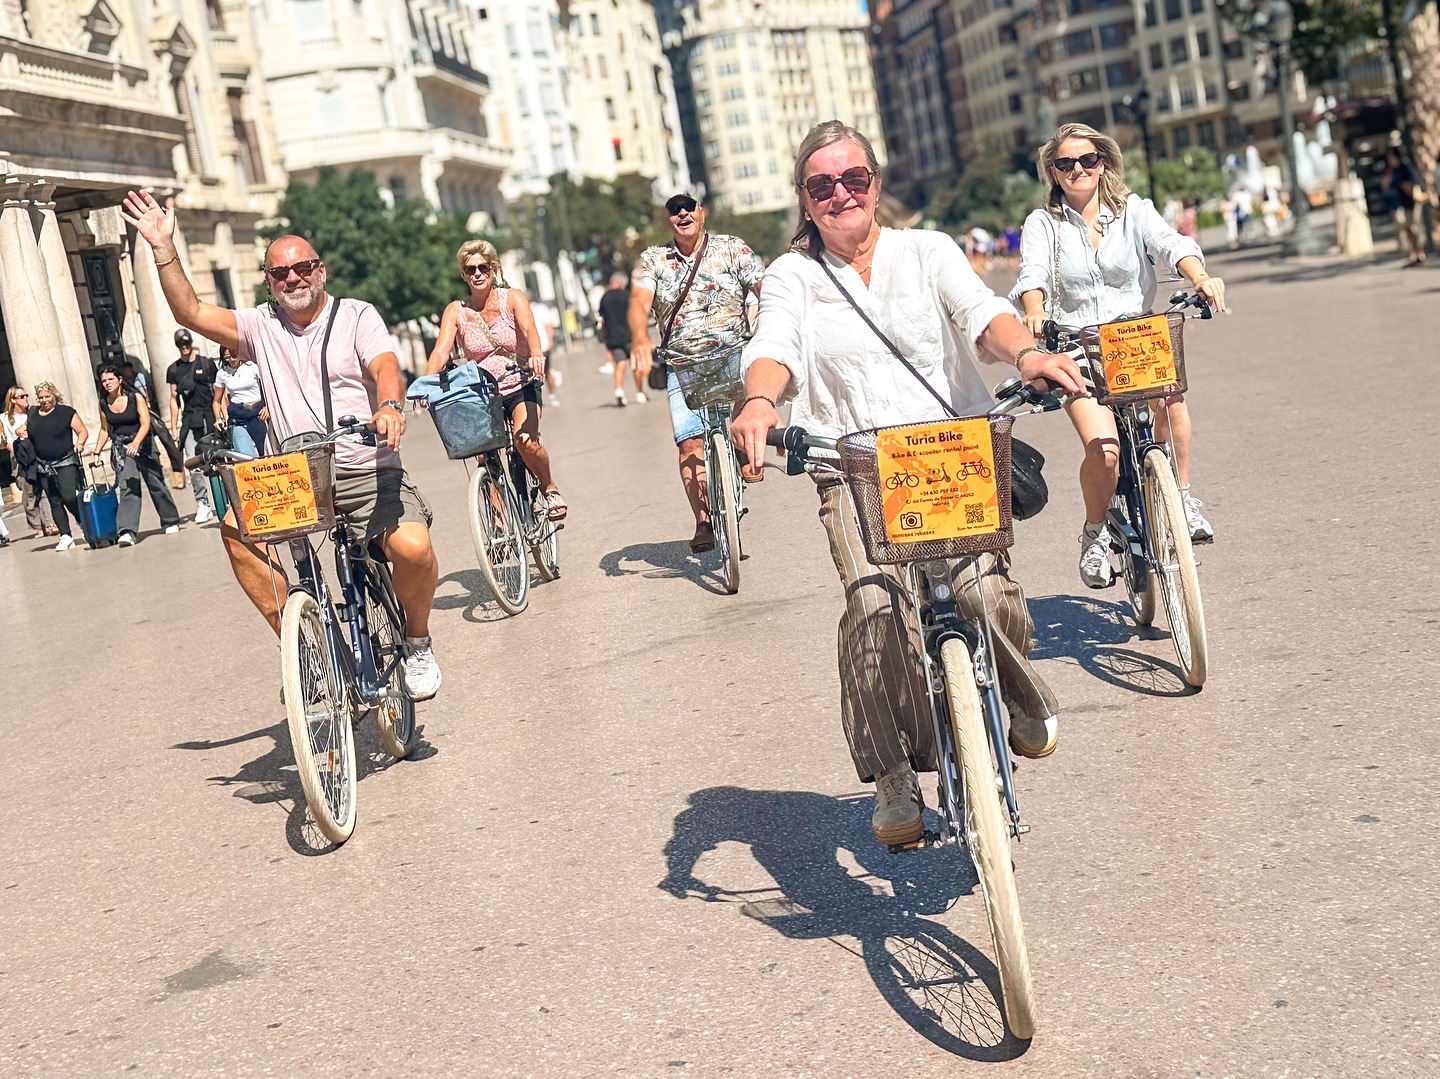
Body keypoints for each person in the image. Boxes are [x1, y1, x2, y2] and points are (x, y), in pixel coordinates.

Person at [730, 120, 1084, 845]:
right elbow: (774, 346)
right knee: (873, 610)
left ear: (876, 184)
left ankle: (1016, 687)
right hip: (853, 466)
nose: (841, 195)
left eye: (853, 179)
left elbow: (982, 315)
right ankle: (894, 774)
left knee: (984, 592)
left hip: (952, 453)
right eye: (822, 185)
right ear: (805, 199)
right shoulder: (790, 276)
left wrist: (1026, 355)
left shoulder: (927, 252)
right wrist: (762, 402)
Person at [121, 188, 443, 700]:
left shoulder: (357, 316)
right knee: (235, 531)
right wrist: (163, 249)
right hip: (294, 475)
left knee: (414, 547)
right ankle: (309, 646)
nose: (292, 278)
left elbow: (384, 365)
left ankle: (418, 639)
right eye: (279, 273)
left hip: (363, 464)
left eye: (303, 268)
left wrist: (387, 405)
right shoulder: (258, 326)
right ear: (269, 283)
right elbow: (189, 312)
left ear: (321, 271)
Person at [1011, 123, 1225, 589]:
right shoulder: (1043, 223)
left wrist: (1200, 277)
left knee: (1172, 403)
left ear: (1103, 162)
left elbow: (1171, 245)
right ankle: (1094, 535)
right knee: (1105, 453)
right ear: (1053, 172)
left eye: (1088, 160)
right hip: (1075, 346)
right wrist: (1034, 310)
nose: (1079, 170)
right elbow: (1032, 275)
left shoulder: (1134, 211)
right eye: (1066, 164)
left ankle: (1182, 498)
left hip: (1135, 339)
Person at [629, 192, 764, 552]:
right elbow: (639, 302)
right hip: (682, 361)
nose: (683, 213)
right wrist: (640, 337)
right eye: (675, 210)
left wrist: (775, 320)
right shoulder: (654, 260)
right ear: (667, 219)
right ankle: (703, 520)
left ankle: (740, 447)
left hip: (733, 353)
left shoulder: (732, 248)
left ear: (701, 213)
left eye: (689, 207)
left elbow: (764, 287)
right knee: (689, 442)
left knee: (744, 411)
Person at [425, 239, 567, 520]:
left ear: (493, 270)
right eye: (470, 269)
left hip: (520, 382)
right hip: (484, 392)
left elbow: (529, 328)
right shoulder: (457, 311)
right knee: (483, 453)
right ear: (463, 274)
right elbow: (441, 350)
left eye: (483, 267)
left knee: (525, 440)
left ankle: (549, 487)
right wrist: (425, 384)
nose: (477, 273)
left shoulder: (511, 297)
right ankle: (498, 519)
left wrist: (537, 353)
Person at [92, 365, 181, 545]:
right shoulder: (103, 403)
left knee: (155, 483)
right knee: (128, 486)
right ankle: (127, 531)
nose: (107, 383)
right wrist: (97, 451)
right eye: (104, 381)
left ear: (119, 380)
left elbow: (145, 422)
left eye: (110, 379)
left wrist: (136, 442)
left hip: (144, 444)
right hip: (122, 449)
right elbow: (104, 429)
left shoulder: (135, 397)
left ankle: (170, 520)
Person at [26, 382, 90, 552]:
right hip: (43, 464)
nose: (44, 400)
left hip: (65, 460)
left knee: (69, 496)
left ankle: (82, 521)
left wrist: (80, 444)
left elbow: (82, 431)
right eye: (41, 397)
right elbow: (26, 431)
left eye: (47, 396)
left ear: (54, 395)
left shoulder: (66, 412)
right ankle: (65, 535)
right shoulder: (33, 413)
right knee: (54, 499)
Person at [167, 328, 218, 521]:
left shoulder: (206, 364)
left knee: (218, 459)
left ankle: (225, 499)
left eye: (186, 343)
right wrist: (174, 427)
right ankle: (202, 503)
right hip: (190, 419)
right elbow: (173, 398)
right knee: (193, 462)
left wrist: (222, 415)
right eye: (181, 344)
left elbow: (219, 391)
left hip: (209, 417)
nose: (184, 347)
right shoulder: (174, 369)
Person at [2, 388, 55, 537]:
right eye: (21, 396)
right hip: (20, 456)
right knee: (30, 491)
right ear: (13, 400)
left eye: (26, 395)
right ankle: (38, 526)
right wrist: (13, 446)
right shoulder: (5, 419)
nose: (26, 398)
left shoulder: (34, 412)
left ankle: (50, 523)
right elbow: (4, 441)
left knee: (45, 488)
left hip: (38, 453)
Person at [598, 271, 646, 406]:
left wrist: (605, 338)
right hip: (630, 336)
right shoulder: (628, 296)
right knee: (635, 364)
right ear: (621, 283)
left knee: (620, 364)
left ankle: (619, 391)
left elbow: (602, 320)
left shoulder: (604, 298)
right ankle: (639, 393)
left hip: (613, 338)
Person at [213, 345, 269, 457]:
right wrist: (218, 418)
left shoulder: (252, 367)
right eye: (228, 357)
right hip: (238, 415)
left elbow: (268, 388)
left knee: (266, 453)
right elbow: (216, 401)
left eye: (234, 356)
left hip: (257, 413)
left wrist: (268, 407)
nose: (232, 360)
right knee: (246, 456)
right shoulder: (222, 373)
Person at [1383, 146, 1427, 267]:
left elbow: (1410, 184)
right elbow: (1387, 185)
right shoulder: (1393, 170)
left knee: (1414, 228)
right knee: (1407, 229)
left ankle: (1420, 253)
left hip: (1410, 202)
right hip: (1401, 204)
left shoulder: (1405, 167)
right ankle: (1414, 253)